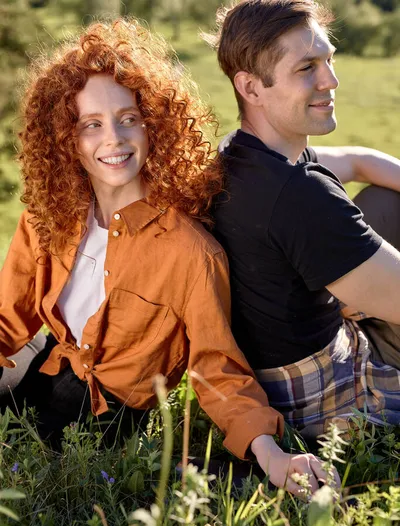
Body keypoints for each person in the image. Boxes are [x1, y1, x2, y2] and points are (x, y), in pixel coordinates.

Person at [0, 18, 334, 498]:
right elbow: (8, 320)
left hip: (111, 421)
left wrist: (271, 451)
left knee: (146, 484)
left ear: (153, 124)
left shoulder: (190, 251)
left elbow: (217, 368)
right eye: (90, 124)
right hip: (45, 375)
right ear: (65, 138)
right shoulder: (44, 220)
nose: (113, 139)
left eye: (128, 118)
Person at [207, 0, 400, 457]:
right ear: (251, 87)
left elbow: (359, 161)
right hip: (329, 400)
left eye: (329, 60)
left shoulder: (240, 154)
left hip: (275, 371)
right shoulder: (300, 196)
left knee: (386, 199)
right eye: (306, 68)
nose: (330, 80)